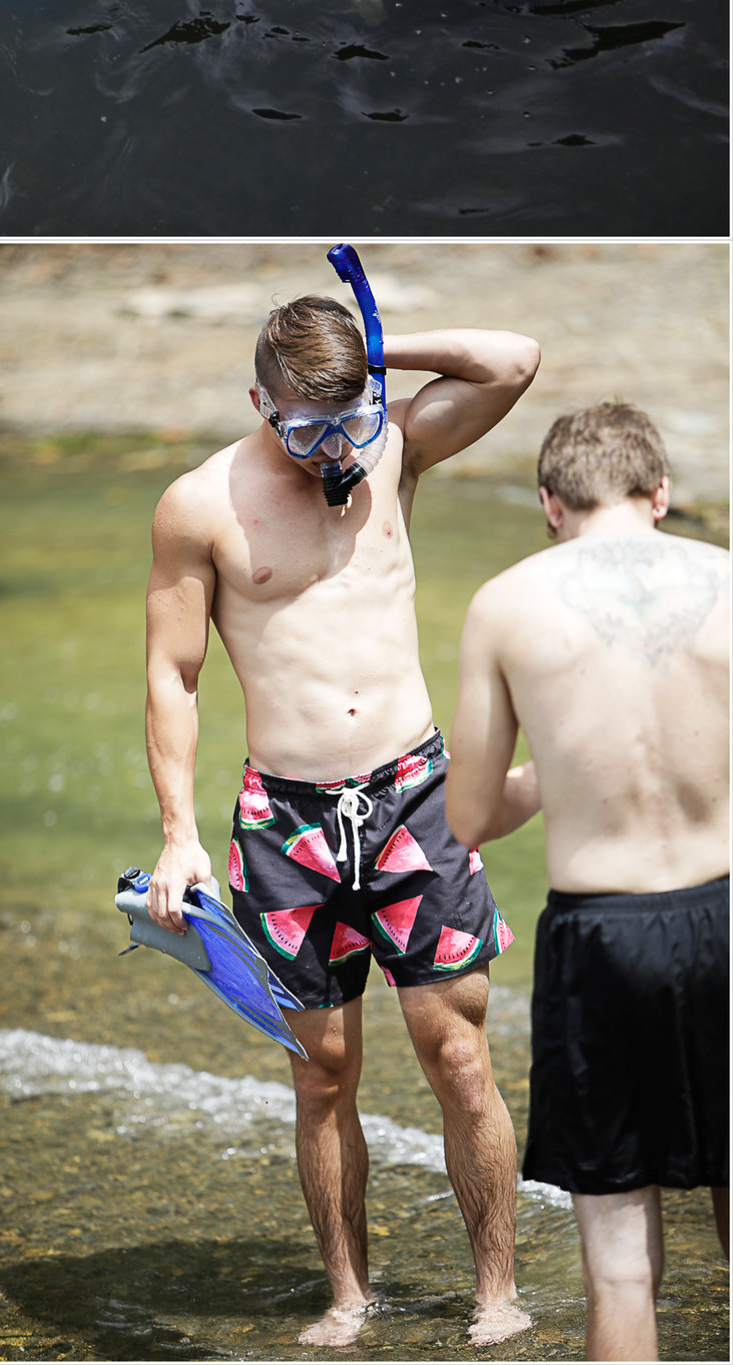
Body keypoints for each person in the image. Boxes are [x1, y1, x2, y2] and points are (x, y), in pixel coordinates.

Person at [144, 279, 540, 1347]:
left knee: (457, 1052)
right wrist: (180, 832)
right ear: (261, 402)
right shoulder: (200, 505)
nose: (333, 450)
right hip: (286, 822)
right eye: (306, 426)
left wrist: (380, 351)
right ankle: (348, 1293)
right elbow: (173, 675)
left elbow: (512, 358)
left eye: (348, 419)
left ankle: (495, 1290)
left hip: (415, 793)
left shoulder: (396, 447)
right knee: (320, 1074)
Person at [445, 403, 728, 1361]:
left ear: (549, 505)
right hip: (725, 913)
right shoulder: (729, 579)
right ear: (661, 494)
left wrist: (553, 775)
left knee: (618, 1265)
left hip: (602, 937)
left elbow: (471, 817)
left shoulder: (506, 602)